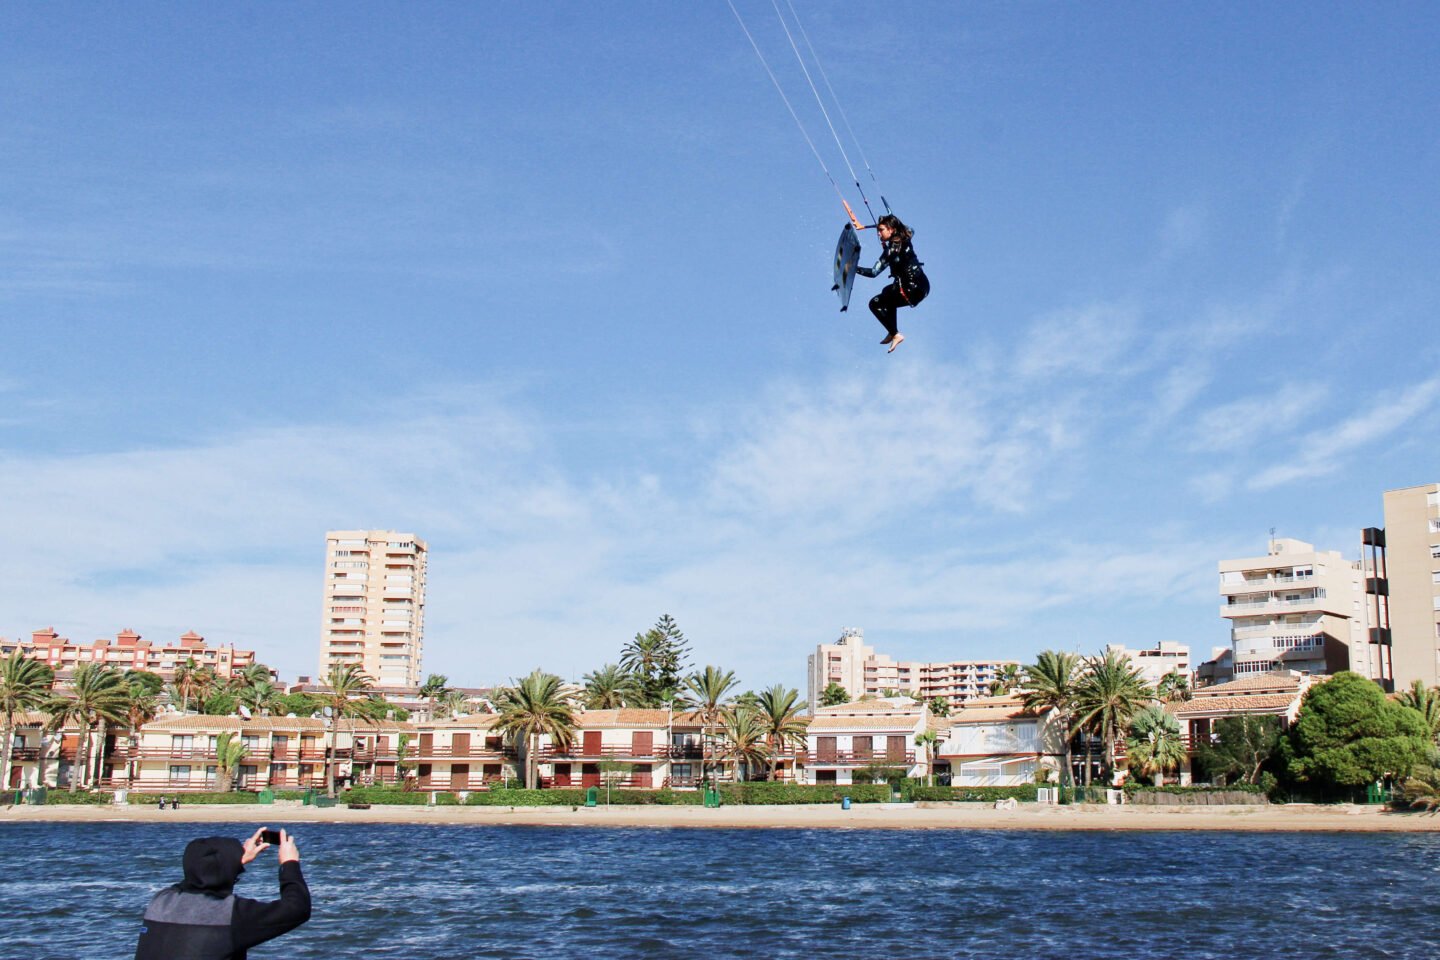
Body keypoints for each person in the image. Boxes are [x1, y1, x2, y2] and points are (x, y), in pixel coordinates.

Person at [135, 827, 311, 959]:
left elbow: (196, 877)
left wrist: (234, 862)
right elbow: (297, 908)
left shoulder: (159, 901)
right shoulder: (230, 914)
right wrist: (289, 863)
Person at [855, 213, 929, 353]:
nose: (878, 234)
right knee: (887, 292)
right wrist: (880, 225)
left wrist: (854, 269)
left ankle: (896, 334)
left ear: (892, 229)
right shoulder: (906, 235)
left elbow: (873, 273)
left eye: (881, 230)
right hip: (923, 286)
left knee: (875, 303)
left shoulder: (891, 251)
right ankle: (892, 330)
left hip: (910, 290)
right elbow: (910, 228)